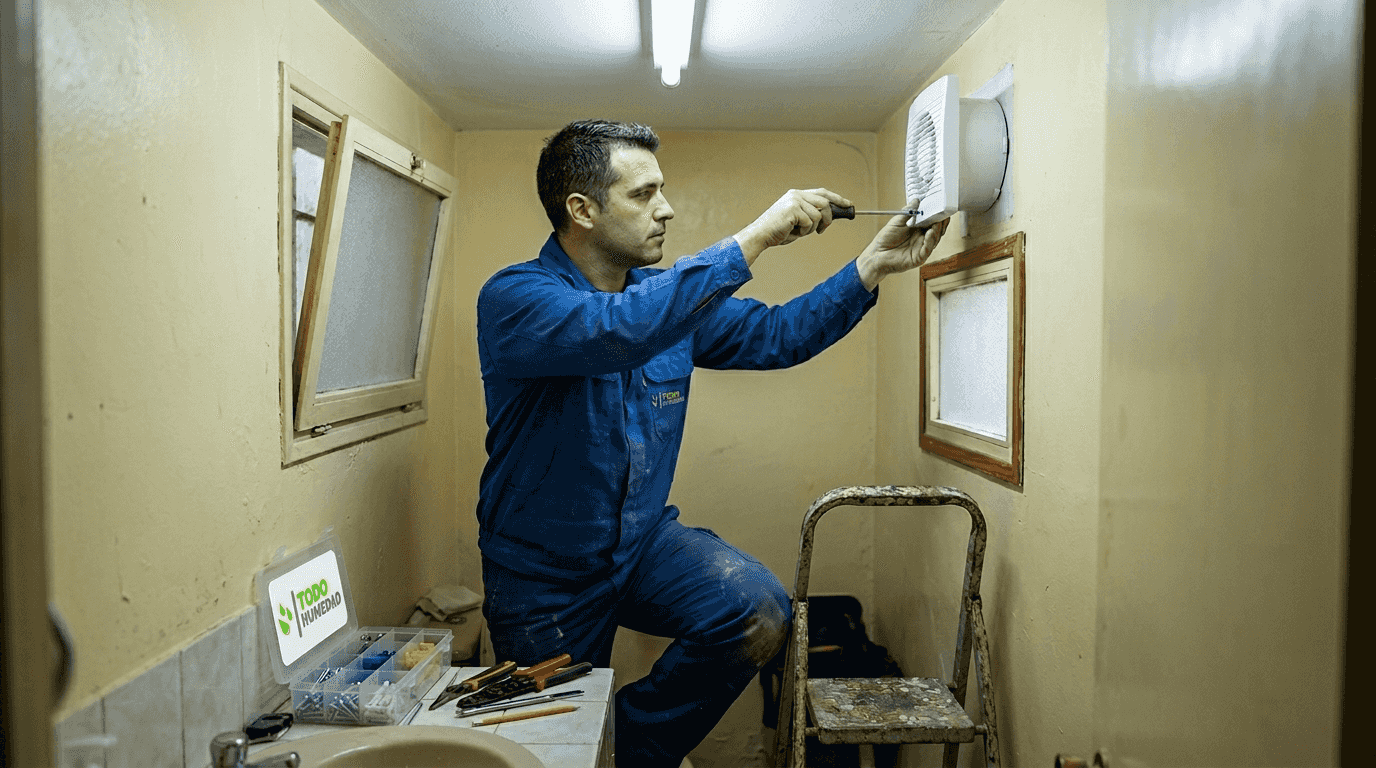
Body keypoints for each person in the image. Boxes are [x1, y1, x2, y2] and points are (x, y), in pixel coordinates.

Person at [474, 119, 948, 766]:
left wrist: (868, 268)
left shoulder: (663, 301)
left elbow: (778, 334)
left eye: (660, 190)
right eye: (643, 194)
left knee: (756, 608)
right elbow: (616, 332)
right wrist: (759, 235)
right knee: (550, 747)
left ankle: (633, 744)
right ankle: (590, 748)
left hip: (641, 546)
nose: (665, 209)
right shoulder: (516, 298)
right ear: (580, 210)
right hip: (543, 577)